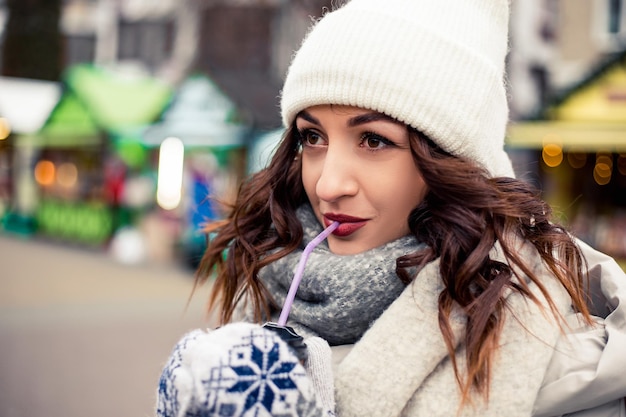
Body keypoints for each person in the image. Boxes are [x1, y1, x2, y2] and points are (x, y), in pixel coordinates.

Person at [156, 0, 626, 416]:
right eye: (312, 137)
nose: (329, 184)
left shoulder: (563, 361)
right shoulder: (263, 293)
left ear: (451, 164)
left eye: (375, 140)